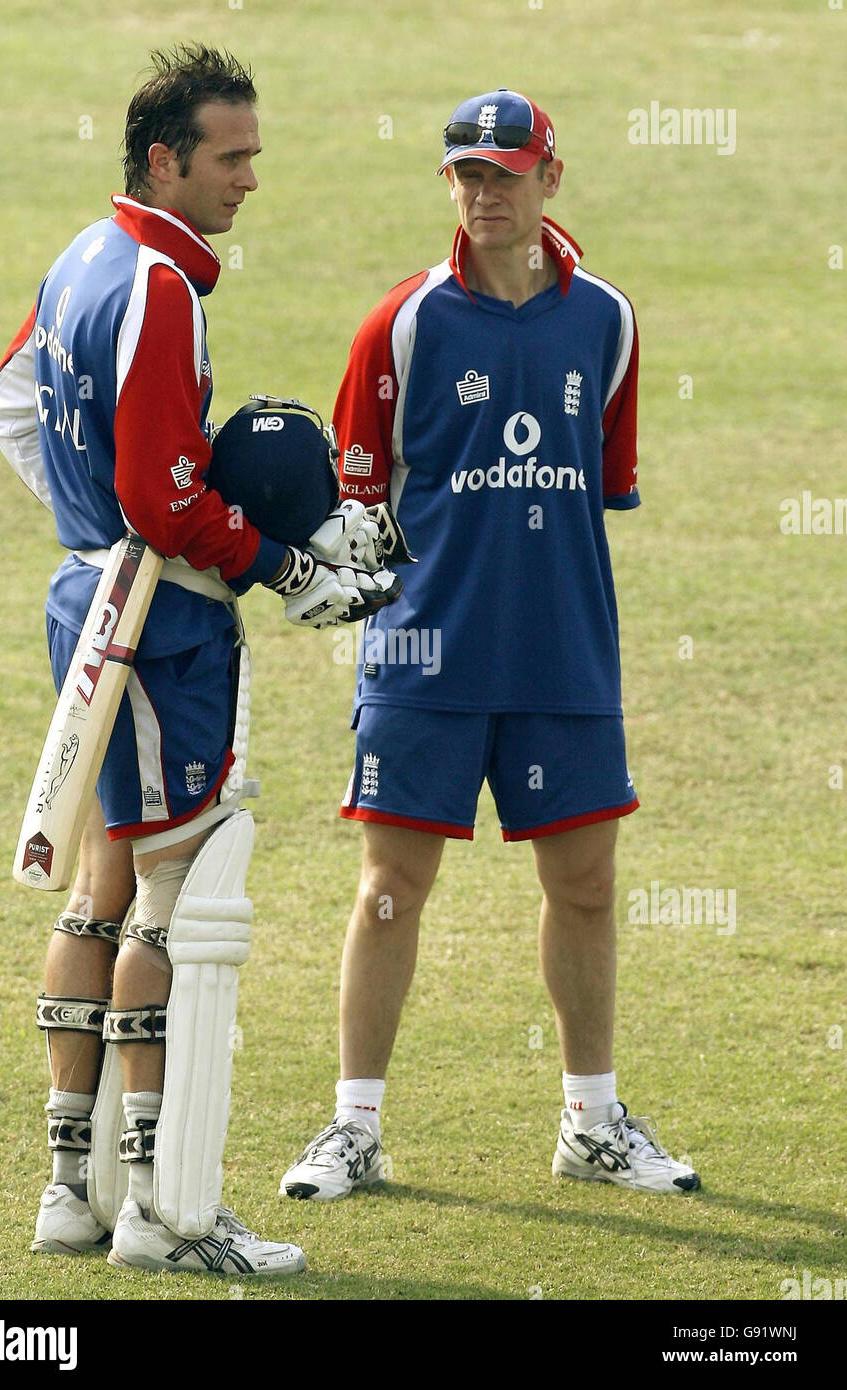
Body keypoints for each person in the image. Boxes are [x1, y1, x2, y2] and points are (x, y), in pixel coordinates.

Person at [0, 44, 397, 1278]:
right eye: (231, 156)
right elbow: (165, 501)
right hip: (160, 615)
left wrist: (82, 526)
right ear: (165, 159)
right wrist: (281, 565)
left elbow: (9, 407)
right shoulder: (158, 283)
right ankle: (167, 1210)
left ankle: (73, 1193)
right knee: (179, 895)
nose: (249, 179)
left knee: (99, 885)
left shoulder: (78, 258)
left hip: (88, 601)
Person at [279, 88, 700, 1200]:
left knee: (590, 886)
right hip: (426, 655)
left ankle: (593, 1122)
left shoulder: (605, 320)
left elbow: (602, 487)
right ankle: (354, 1128)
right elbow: (352, 505)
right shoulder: (402, 324)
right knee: (389, 889)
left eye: (505, 174)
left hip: (565, 651)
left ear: (550, 179)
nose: (484, 193)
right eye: (466, 174)